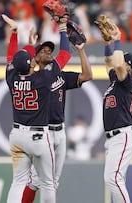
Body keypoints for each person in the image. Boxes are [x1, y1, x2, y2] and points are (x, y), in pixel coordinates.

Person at [22, 18, 93, 203]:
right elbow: (64, 54)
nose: (48, 52)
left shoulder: (58, 75)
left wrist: (82, 51)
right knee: (37, 180)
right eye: (43, 51)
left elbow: (87, 76)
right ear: (35, 58)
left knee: (53, 181)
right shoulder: (36, 78)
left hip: (59, 131)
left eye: (49, 51)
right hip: (42, 132)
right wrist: (62, 30)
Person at [3, 13, 64, 203]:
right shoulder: (43, 79)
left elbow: (12, 59)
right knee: (47, 182)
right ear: (32, 63)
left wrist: (15, 33)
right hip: (38, 137)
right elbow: (62, 57)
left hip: (17, 135)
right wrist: (63, 30)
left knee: (18, 181)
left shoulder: (11, 77)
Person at [101, 20, 132, 203]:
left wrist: (118, 40)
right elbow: (110, 63)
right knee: (113, 180)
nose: (120, 61)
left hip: (123, 135)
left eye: (124, 60)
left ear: (129, 68)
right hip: (113, 138)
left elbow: (117, 66)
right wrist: (108, 44)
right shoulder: (117, 81)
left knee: (113, 179)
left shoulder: (127, 82)